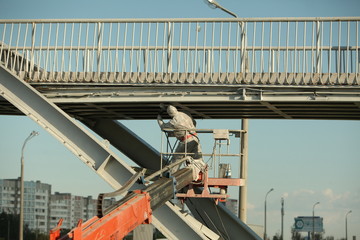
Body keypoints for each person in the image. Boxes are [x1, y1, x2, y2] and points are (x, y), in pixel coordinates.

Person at [157, 105, 204, 174]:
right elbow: (194, 122)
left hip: (186, 141)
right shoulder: (185, 113)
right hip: (195, 138)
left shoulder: (174, 121)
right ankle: (202, 172)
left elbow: (163, 127)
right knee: (197, 159)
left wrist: (159, 117)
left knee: (176, 160)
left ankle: (170, 175)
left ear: (170, 114)